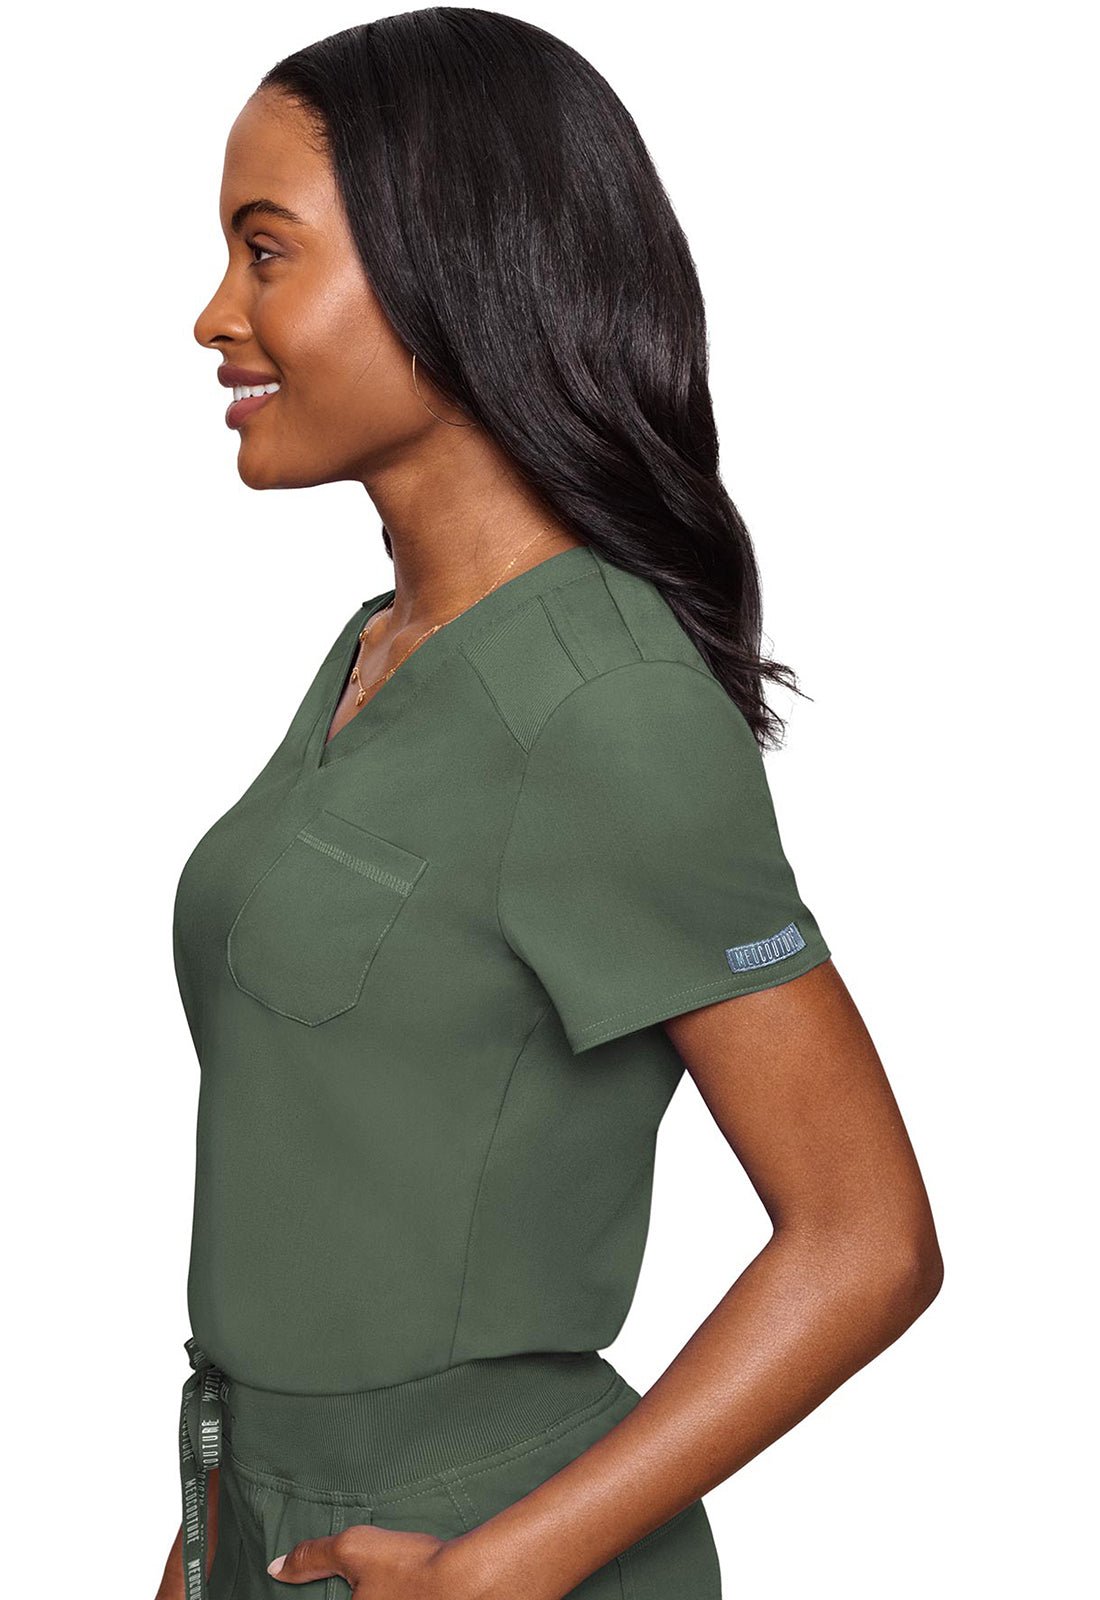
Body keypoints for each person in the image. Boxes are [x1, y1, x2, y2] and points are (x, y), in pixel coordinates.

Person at [160, 10, 943, 1599]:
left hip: (480, 1542)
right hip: (265, 1524)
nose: (212, 316)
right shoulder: (374, 654)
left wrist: (501, 1570)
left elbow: (868, 1240)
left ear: (448, 268)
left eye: (267, 252)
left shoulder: (602, 703)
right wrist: (206, 1540)